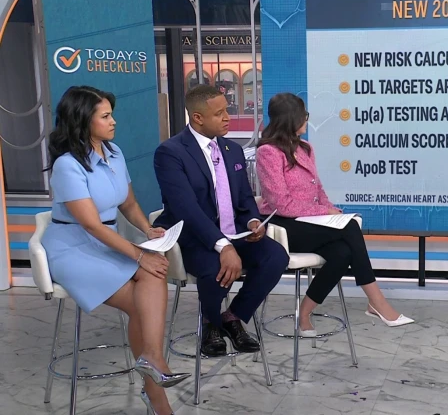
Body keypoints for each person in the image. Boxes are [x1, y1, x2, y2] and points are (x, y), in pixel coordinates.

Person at [41, 86, 189, 415]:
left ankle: (152, 361)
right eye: (105, 116)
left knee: (155, 273)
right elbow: (91, 225)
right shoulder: (68, 165)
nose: (113, 121)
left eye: (112, 114)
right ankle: (157, 388)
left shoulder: (115, 153)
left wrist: (147, 230)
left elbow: (129, 203)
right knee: (143, 295)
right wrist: (139, 254)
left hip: (107, 240)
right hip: (73, 247)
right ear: (83, 120)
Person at [255, 93, 414, 337]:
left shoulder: (305, 148)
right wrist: (325, 212)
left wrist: (332, 211)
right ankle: (376, 301)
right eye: (304, 115)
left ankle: (305, 313)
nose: (307, 119)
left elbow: (317, 189)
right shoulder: (268, 152)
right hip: (283, 226)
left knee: (343, 252)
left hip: (309, 222)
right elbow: (282, 204)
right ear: (291, 118)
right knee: (350, 227)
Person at [153, 84, 288, 357]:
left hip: (234, 232)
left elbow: (244, 198)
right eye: (219, 113)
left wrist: (252, 222)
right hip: (194, 236)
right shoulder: (171, 152)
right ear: (197, 118)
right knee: (215, 266)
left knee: (275, 257)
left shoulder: (232, 150)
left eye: (227, 110)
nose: (228, 117)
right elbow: (186, 209)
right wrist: (223, 246)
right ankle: (210, 324)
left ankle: (232, 317)